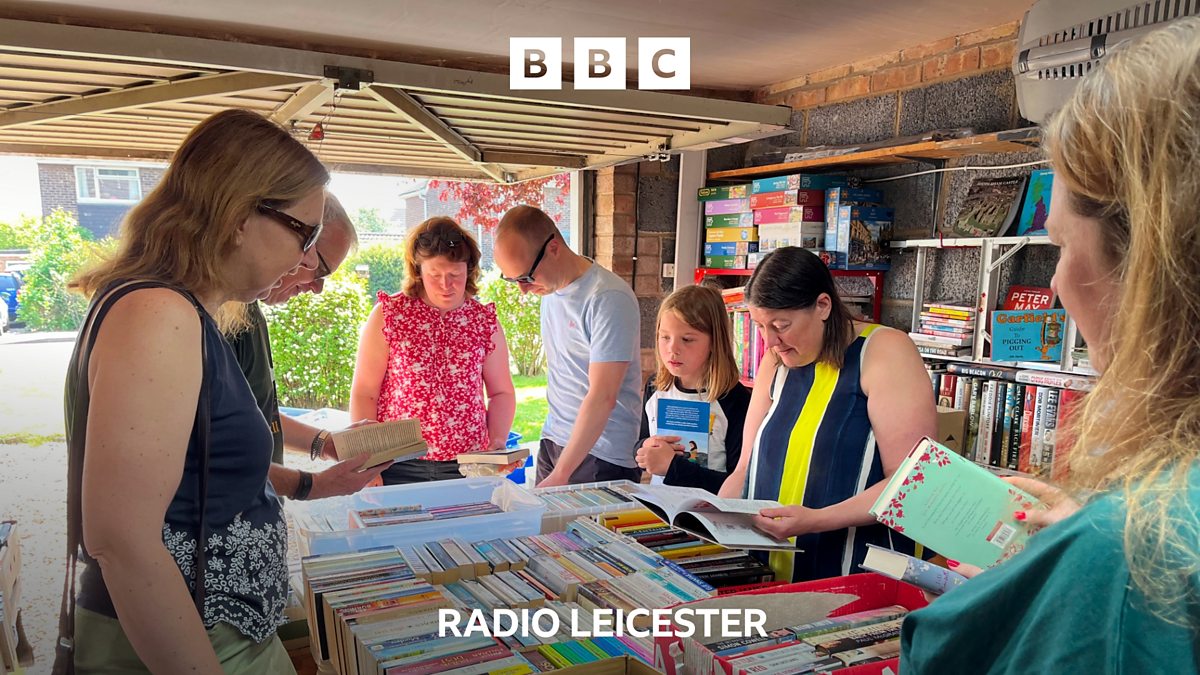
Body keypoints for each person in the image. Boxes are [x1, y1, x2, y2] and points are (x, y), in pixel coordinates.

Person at [902, 20, 1200, 672]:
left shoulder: (1136, 558)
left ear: (1151, 264)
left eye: (1062, 246)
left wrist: (1085, 556)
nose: (1059, 284)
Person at [62, 108, 326, 672]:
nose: (304, 259)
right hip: (189, 640)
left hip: (218, 627)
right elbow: (122, 540)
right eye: (305, 232)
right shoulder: (158, 311)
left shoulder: (173, 309)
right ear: (238, 214)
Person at [718, 246, 936, 582]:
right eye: (760, 326)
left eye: (781, 325)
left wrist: (816, 520)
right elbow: (746, 467)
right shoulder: (775, 361)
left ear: (822, 306)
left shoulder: (883, 351)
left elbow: (912, 483)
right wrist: (714, 516)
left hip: (854, 570)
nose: (770, 340)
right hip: (768, 566)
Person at [224, 192, 387, 502]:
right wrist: (311, 485)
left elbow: (259, 414)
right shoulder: (214, 319)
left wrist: (326, 443)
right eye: (318, 268)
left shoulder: (247, 311)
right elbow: (212, 457)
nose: (317, 288)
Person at [350, 216, 515, 484]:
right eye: (434, 275)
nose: (445, 285)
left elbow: (501, 392)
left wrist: (496, 444)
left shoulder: (483, 321)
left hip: (467, 465)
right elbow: (364, 393)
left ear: (469, 270)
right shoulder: (390, 315)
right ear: (418, 271)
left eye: (455, 275)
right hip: (395, 463)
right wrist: (368, 463)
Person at [493, 204, 642, 487]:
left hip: (601, 454)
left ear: (553, 247)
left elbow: (603, 396)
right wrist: (554, 461)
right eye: (512, 280)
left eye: (525, 277)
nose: (522, 290)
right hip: (554, 440)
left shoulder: (608, 298)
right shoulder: (550, 290)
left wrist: (561, 474)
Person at [635, 285, 751, 493]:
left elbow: (739, 484)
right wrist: (645, 449)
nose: (672, 349)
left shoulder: (735, 400)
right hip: (661, 507)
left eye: (687, 339)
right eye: (665, 337)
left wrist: (673, 467)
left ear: (715, 342)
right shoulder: (655, 387)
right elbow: (641, 441)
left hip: (711, 514)